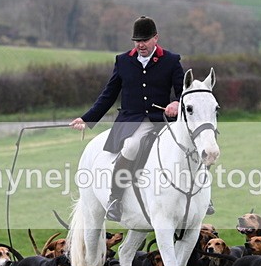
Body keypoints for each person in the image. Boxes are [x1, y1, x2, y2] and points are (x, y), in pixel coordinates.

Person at [70, 15, 183, 222]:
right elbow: (109, 94)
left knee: (192, 145)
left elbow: (183, 91)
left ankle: (201, 198)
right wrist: (87, 119)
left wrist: (177, 103)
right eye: (137, 41)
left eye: (145, 40)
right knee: (131, 146)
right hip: (133, 121)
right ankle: (115, 198)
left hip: (162, 120)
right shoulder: (123, 61)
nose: (140, 45)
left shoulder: (171, 60)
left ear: (155, 38)